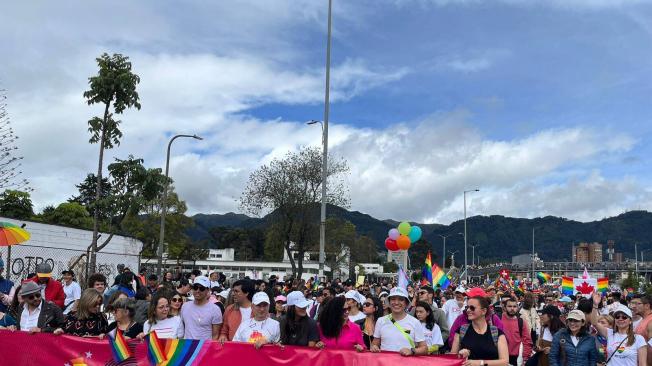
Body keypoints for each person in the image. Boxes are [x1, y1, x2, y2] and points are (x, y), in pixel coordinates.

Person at [590, 294, 646, 366]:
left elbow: (643, 364)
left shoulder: (639, 339)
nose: (620, 319)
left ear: (630, 321)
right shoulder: (609, 333)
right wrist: (595, 305)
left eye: (624, 317)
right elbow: (594, 323)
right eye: (617, 316)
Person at [451, 296, 509, 366]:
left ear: (484, 311)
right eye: (467, 307)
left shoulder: (496, 333)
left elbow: (504, 362)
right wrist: (460, 355)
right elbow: (452, 358)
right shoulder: (461, 330)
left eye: (472, 308)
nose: (468, 310)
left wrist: (480, 363)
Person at [370, 287, 427, 356]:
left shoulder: (415, 322)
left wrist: (412, 351)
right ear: (389, 302)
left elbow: (424, 348)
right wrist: (374, 347)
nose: (396, 303)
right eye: (393, 299)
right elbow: (375, 343)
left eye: (401, 299)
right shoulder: (381, 321)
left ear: (406, 303)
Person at [179, 276, 222, 340]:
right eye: (195, 288)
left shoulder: (215, 309)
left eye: (201, 288)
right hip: (187, 348)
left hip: (205, 348)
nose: (198, 291)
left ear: (207, 290)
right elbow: (182, 328)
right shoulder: (185, 306)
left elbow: (215, 336)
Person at [501, 297, 532, 365]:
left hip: (516, 358)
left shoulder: (521, 321)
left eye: (514, 306)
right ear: (505, 307)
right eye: (509, 306)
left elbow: (527, 341)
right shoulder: (499, 319)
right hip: (500, 356)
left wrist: (525, 358)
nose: (512, 308)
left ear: (517, 308)